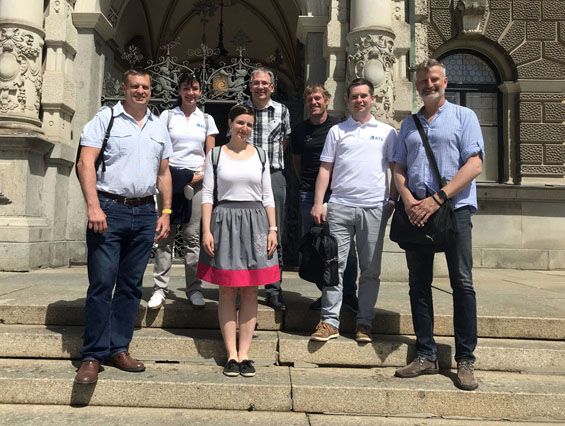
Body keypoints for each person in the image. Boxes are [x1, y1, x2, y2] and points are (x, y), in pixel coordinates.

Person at [75, 69, 173, 384]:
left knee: (131, 285)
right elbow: (85, 163)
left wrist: (166, 211)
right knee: (102, 282)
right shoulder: (106, 119)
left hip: (144, 212)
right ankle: (92, 355)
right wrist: (93, 206)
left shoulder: (158, 126)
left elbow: (163, 173)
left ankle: (119, 348)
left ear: (151, 90)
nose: (140, 91)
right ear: (124, 88)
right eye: (134, 86)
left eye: (145, 87)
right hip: (109, 209)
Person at [392, 59, 484, 391]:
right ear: (417, 86)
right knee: (418, 284)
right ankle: (426, 354)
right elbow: (398, 166)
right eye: (422, 81)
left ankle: (465, 359)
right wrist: (407, 199)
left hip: (454, 210)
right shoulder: (408, 124)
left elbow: (474, 164)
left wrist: (439, 198)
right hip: (417, 212)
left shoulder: (464, 117)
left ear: (444, 81)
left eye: (433, 79)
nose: (428, 85)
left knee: (462, 283)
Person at [310, 78, 398, 343]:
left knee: (370, 269)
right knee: (333, 265)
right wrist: (318, 202)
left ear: (372, 99)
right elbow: (325, 168)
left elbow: (395, 169)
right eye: (354, 97)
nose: (359, 100)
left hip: (374, 208)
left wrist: (392, 200)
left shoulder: (387, 132)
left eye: (363, 96)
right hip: (340, 206)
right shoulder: (337, 132)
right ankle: (329, 322)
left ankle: (364, 322)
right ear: (347, 101)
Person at [197, 104, 279, 378]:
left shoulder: (261, 156)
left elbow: (268, 195)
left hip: (255, 223)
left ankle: (245, 353)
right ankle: (231, 354)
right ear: (230, 124)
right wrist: (206, 230)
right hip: (225, 222)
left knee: (251, 290)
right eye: (240, 122)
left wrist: (273, 229)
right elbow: (207, 194)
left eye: (249, 124)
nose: (245, 128)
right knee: (226, 290)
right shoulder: (216, 155)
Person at [149, 73, 219, 310]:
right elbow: (159, 149)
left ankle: (194, 289)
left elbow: (210, 155)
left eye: (195, 88)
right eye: (186, 88)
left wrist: (198, 176)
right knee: (165, 235)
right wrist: (168, 177)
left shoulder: (206, 119)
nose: (191, 93)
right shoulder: (167, 116)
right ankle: (160, 289)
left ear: (200, 91)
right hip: (169, 180)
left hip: (196, 182)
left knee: (192, 238)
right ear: (179, 91)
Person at [291, 84, 358, 313]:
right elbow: (297, 162)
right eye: (310, 99)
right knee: (317, 246)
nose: (314, 102)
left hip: (338, 194)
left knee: (345, 246)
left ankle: (349, 294)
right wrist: (308, 186)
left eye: (318, 98)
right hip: (309, 194)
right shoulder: (300, 130)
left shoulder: (338, 126)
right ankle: (326, 293)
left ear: (326, 100)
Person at [245, 68, 290, 311]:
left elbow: (285, 142)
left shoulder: (282, 111)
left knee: (275, 233)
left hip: (273, 176)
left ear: (272, 87)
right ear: (250, 86)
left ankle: (273, 288)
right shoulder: (240, 109)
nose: (260, 87)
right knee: (246, 232)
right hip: (245, 178)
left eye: (265, 83)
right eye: (256, 83)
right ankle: (246, 286)